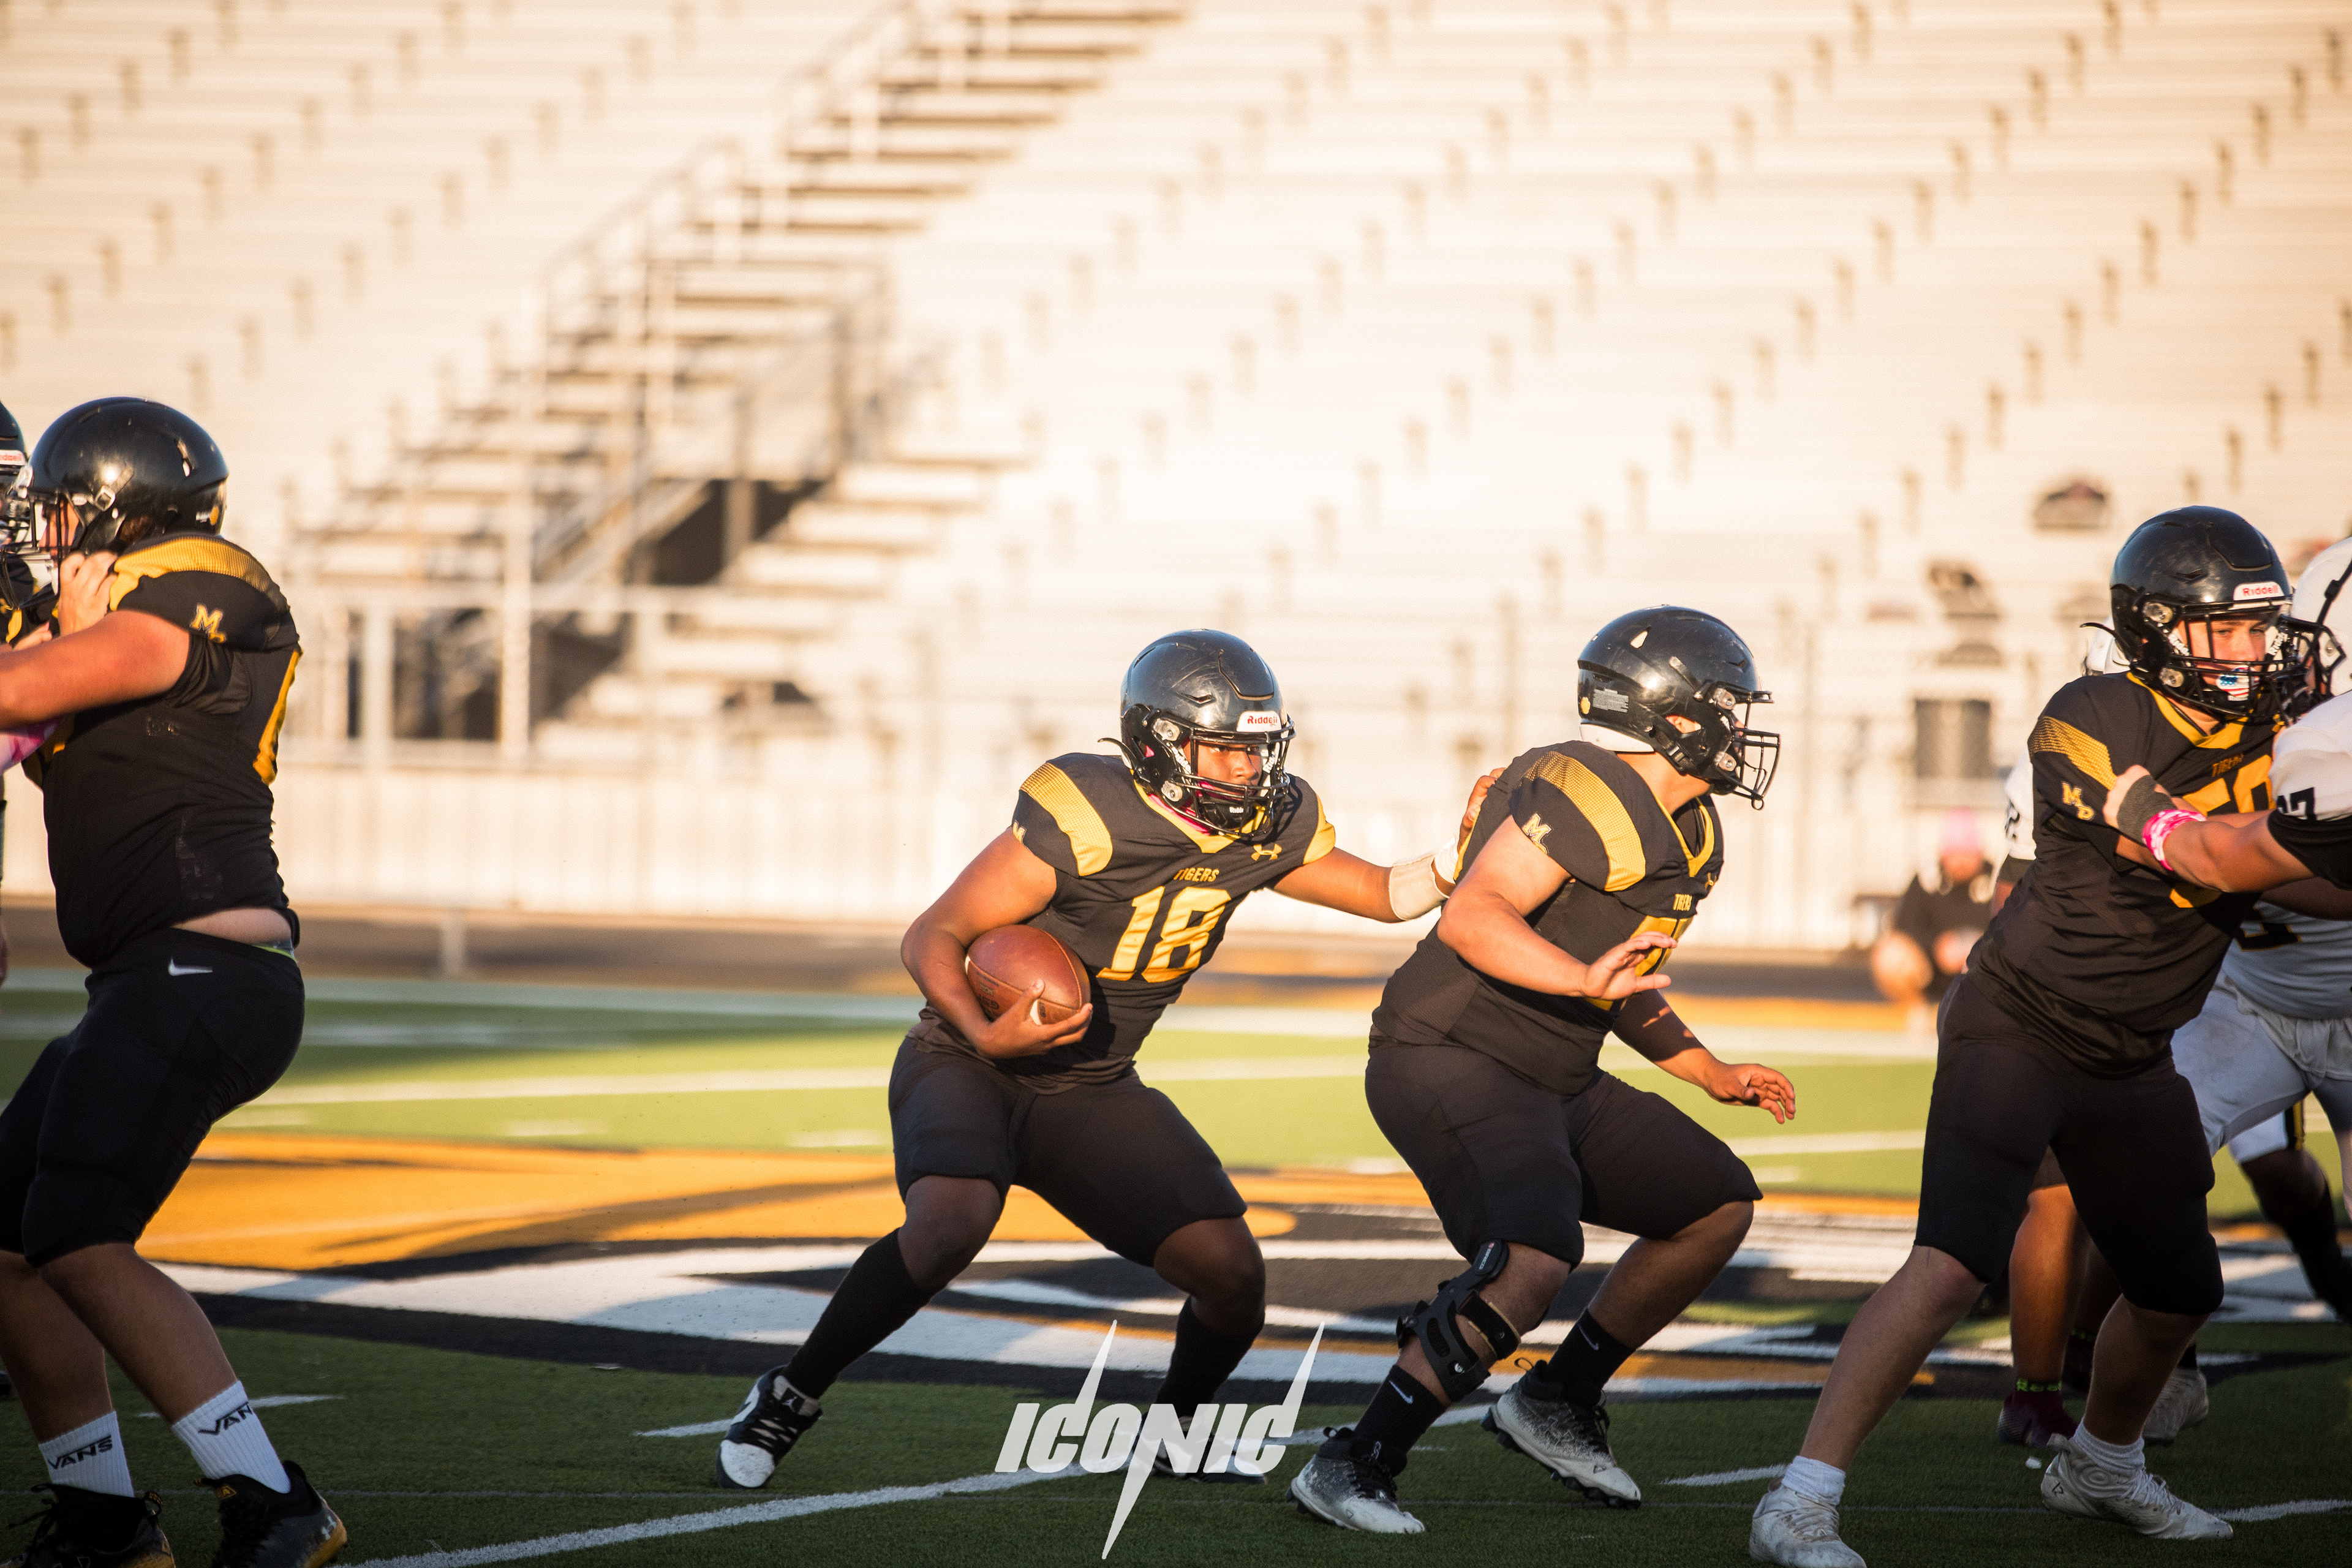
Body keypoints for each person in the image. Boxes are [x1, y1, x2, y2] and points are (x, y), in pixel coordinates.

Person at [710, 629, 1496, 1490]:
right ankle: (790, 1392)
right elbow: (932, 934)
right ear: (1161, 743)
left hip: (1090, 1087)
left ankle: (1170, 1433)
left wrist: (1458, 859)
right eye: (1227, 750)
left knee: (1232, 1274)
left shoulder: (1266, 826)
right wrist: (983, 1031)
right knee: (949, 1225)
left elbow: (1383, 894)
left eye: (1258, 749)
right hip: (970, 1064)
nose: (1249, 770)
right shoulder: (1089, 813)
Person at [1751, 507, 2304, 1566]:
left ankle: (2101, 1466)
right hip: (2022, 1027)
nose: (2251, 650)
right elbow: (2204, 855)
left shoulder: (2275, 729)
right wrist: (2314, 844)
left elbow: (2307, 873)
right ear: (2154, 628)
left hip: (2135, 1055)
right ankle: (1800, 1499)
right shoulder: (2090, 714)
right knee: (1951, 1263)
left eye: (2258, 628)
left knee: (2182, 1289)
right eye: (2227, 628)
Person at [1287, 606, 1798, 1534]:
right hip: (1450, 1052)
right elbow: (1473, 916)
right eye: (1729, 706)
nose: (1742, 728)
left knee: (1715, 1203)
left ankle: (1558, 1398)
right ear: (1671, 713)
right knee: (1531, 1260)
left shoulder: (1696, 831)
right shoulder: (1585, 787)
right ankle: (1355, 1461)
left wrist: (1705, 1068)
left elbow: (1623, 981)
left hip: (1556, 1073)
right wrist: (1580, 980)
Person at [0, 398, 342, 1568]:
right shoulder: (87, 618)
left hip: (209, 968)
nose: (44, 531)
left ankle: (274, 1500)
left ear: (117, 507)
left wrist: (47, 643)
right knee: (10, 1238)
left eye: (59, 509)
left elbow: (23, 691)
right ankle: (103, 1514)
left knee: (80, 1231)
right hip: (147, 979)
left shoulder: (203, 585)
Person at [1870, 810, 1993, 1026]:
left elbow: (2015, 926)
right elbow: (1904, 926)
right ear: (1943, 854)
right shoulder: (1927, 879)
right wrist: (1937, 945)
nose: (1961, 862)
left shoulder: (1997, 880)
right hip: (1933, 972)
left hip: (1983, 974)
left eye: (1968, 854)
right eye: (1955, 854)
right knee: (1890, 954)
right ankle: (1918, 1011)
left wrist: (1976, 946)